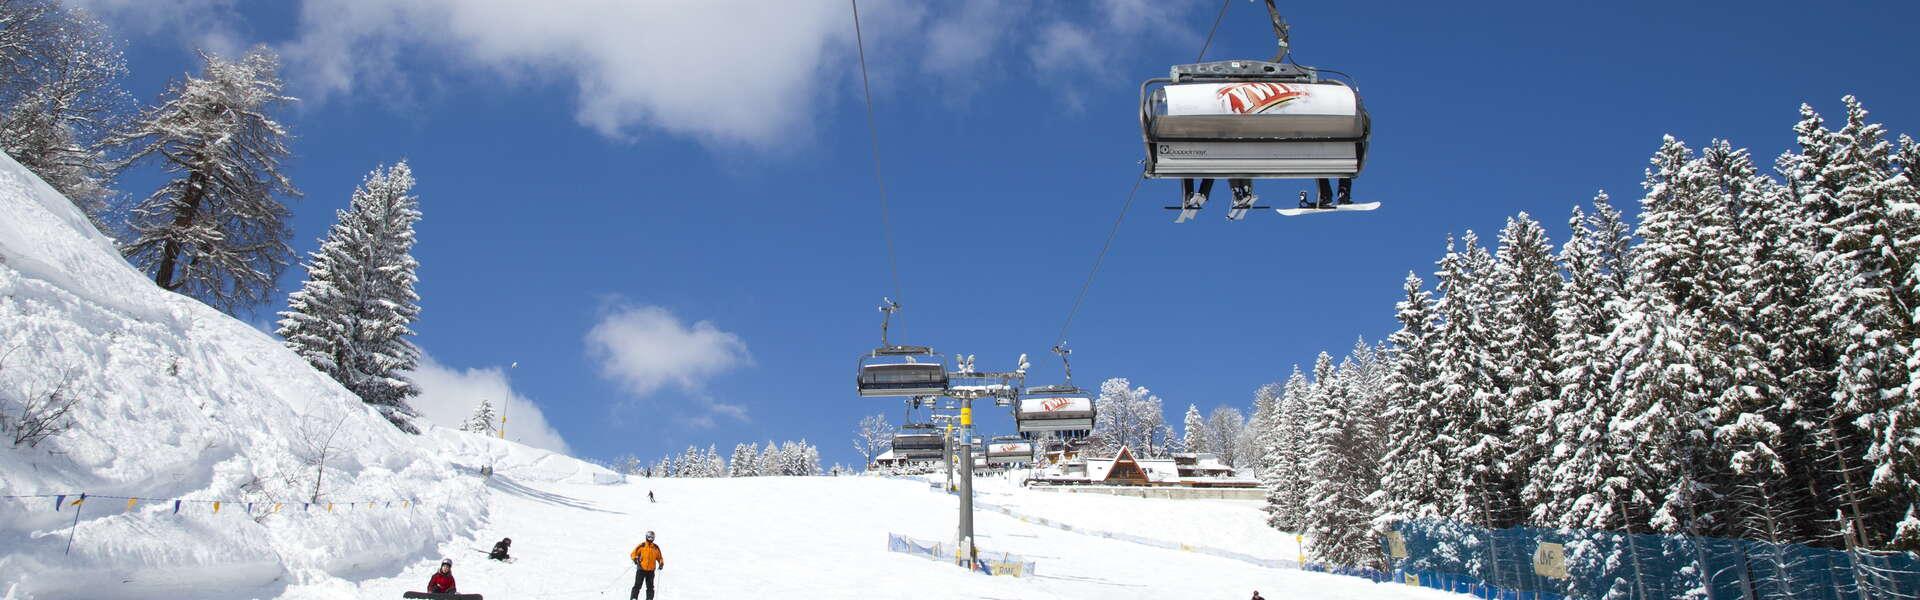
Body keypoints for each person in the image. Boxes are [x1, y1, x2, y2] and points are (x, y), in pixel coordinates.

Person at [629, 531, 665, 600]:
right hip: (641, 569)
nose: (650, 539)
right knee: (637, 585)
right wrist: (635, 559)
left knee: (650, 587)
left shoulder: (655, 547)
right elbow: (633, 553)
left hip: (651, 571)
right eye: (649, 537)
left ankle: (649, 599)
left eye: (652, 537)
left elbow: (660, 557)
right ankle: (634, 598)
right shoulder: (642, 545)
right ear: (646, 537)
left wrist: (661, 563)